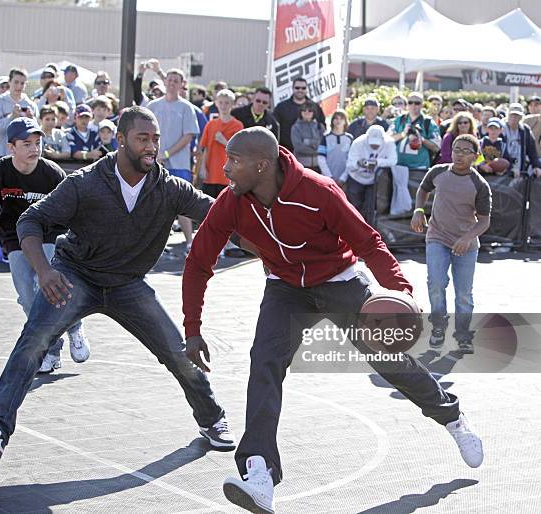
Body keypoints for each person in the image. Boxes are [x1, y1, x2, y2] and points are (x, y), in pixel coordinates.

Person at [182, 127, 483, 513]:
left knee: (388, 361)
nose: (225, 168)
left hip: (339, 281)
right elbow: (198, 261)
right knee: (265, 361)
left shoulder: (318, 192)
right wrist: (192, 327)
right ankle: (259, 474)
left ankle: (453, 417)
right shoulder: (232, 201)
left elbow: (369, 242)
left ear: (262, 165)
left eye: (234, 161)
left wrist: (401, 292)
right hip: (286, 288)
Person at [0, 106, 236, 474]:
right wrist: (43, 271)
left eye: (155, 139)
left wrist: (275, 233)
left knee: (177, 354)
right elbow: (31, 219)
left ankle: (211, 417)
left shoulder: (168, 187)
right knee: (33, 342)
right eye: (143, 138)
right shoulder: (86, 182)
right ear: (121, 140)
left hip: (128, 284)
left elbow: (221, 215)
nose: (151, 146)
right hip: (76, 275)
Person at [0, 117, 90, 372]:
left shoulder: (53, 173)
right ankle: (53, 348)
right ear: (12, 147)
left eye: (38, 143)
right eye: (27, 143)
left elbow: (75, 207)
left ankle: (74, 326)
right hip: (15, 237)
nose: (34, 148)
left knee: (49, 287)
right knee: (28, 297)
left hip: (51, 234)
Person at [411, 134, 492, 354]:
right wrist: (419, 211)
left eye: (466, 151)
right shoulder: (438, 172)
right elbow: (423, 189)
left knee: (464, 293)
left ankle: (463, 334)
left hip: (465, 244)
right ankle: (438, 325)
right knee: (436, 283)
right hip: (437, 237)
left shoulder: (480, 184)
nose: (459, 154)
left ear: (475, 157)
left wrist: (467, 238)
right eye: (456, 149)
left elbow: (484, 221)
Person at [147, 68, 200, 253]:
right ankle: (156, 245)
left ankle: (189, 243)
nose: (171, 83)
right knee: (155, 203)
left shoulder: (187, 108)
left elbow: (188, 136)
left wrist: (167, 154)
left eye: (176, 80)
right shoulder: (152, 106)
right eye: (169, 79)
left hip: (179, 163)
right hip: (155, 162)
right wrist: (155, 154)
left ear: (181, 84)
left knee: (182, 203)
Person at [343, 125, 397, 224]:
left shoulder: (389, 143)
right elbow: (349, 165)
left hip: (374, 180)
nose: (374, 146)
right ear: (367, 138)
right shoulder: (358, 143)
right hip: (356, 178)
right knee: (354, 206)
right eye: (372, 144)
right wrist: (359, 163)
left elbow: (393, 160)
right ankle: (353, 227)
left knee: (371, 207)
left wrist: (377, 162)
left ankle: (368, 228)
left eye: (377, 144)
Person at [197, 89, 243, 198]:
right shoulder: (210, 124)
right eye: (221, 102)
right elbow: (205, 148)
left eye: (227, 103)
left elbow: (239, 152)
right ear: (216, 103)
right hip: (210, 175)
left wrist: (224, 141)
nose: (223, 106)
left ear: (232, 104)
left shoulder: (238, 125)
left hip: (228, 176)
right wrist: (202, 168)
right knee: (207, 208)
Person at [0, 68, 38, 156]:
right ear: (9, 82)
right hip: (4, 153)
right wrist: (11, 117)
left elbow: (39, 132)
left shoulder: (31, 105)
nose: (19, 86)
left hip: (26, 155)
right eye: (16, 82)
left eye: (22, 83)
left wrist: (31, 120)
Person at [389, 92, 440, 174]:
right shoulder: (399, 120)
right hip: (399, 166)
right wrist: (403, 134)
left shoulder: (428, 122)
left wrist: (421, 138)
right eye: (410, 102)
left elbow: (437, 148)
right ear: (407, 104)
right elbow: (387, 139)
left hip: (420, 168)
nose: (413, 105)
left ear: (422, 105)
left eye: (417, 103)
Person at [273, 77, 324, 152]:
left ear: (307, 89)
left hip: (312, 155)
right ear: (292, 88)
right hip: (286, 151)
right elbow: (274, 128)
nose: (300, 90)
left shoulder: (315, 107)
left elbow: (322, 127)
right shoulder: (281, 107)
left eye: (303, 88)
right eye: (297, 88)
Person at [503, 102, 541, 177]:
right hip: (503, 170)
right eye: (512, 115)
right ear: (508, 115)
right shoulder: (501, 128)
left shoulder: (525, 130)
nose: (514, 118)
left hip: (520, 169)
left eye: (517, 116)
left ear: (521, 118)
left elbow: (532, 150)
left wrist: (536, 166)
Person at [318, 109, 352, 182]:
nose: (338, 120)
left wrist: (343, 178)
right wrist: (329, 177)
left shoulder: (350, 138)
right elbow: (321, 158)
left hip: (345, 179)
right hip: (327, 179)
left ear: (345, 121)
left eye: (341, 118)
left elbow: (351, 159)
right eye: (336, 118)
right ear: (332, 121)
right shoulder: (325, 137)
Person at [290, 101, 323, 172]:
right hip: (301, 166)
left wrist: (306, 141)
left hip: (319, 166)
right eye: (304, 110)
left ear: (314, 112)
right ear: (300, 112)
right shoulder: (295, 127)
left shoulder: (320, 127)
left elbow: (323, 146)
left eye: (310, 110)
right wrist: (316, 147)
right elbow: (298, 147)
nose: (307, 112)